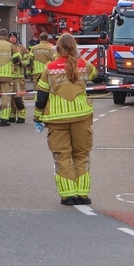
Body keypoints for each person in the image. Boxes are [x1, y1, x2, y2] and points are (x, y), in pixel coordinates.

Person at [33, 33, 96, 206]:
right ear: (74, 48)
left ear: (58, 48)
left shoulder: (50, 68)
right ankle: (83, 194)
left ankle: (68, 196)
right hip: (81, 117)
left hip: (57, 119)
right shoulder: (83, 65)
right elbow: (95, 74)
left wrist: (37, 116)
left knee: (62, 156)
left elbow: (41, 97)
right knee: (81, 155)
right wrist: (78, 59)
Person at [8, 31, 31, 124]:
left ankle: (21, 115)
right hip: (9, 76)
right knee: (10, 98)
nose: (12, 39)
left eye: (14, 37)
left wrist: (21, 63)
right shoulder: (6, 47)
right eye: (11, 37)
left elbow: (28, 61)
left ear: (16, 38)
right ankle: (11, 115)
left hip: (18, 77)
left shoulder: (22, 49)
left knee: (18, 97)